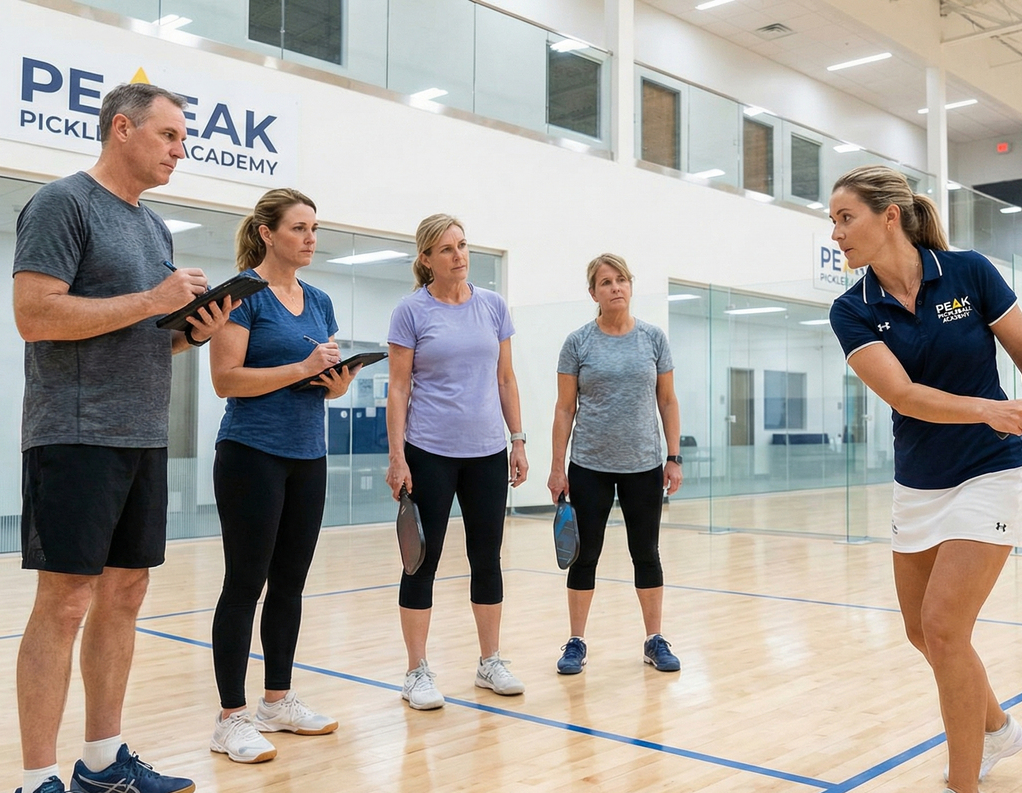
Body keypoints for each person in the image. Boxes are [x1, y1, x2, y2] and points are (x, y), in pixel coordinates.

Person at [7, 82, 238, 793]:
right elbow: (35, 314)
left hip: (139, 436)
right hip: (72, 434)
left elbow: (145, 330)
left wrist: (189, 330)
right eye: (171, 135)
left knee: (127, 593)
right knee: (65, 600)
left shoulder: (153, 224)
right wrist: (151, 300)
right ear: (122, 129)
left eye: (185, 138)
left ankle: (101, 763)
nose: (182, 149)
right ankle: (34, 789)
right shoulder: (61, 205)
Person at [825, 165, 1022, 793]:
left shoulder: (968, 271)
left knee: (944, 625)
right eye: (833, 222)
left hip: (989, 474)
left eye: (845, 217)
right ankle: (995, 729)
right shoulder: (852, 308)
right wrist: (994, 408)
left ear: (889, 215)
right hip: (919, 482)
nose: (836, 232)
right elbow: (903, 394)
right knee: (919, 631)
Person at [205, 188, 361, 763]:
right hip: (250, 452)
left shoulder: (318, 299)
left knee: (290, 584)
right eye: (299, 228)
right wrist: (300, 367)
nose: (310, 238)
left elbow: (323, 376)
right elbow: (227, 379)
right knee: (245, 582)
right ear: (268, 233)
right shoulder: (241, 295)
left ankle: (277, 700)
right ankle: (230, 717)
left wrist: (336, 381)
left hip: (307, 453)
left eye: (314, 228)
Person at [385, 214, 528, 709]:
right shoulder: (411, 311)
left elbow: (505, 379)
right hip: (429, 453)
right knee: (421, 561)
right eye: (446, 249)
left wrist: (518, 440)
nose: (459, 256)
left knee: (487, 558)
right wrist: (397, 456)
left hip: (487, 453)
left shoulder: (493, 307)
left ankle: (490, 661)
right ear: (426, 259)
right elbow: (398, 388)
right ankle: (416, 671)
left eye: (463, 245)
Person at [547, 254, 683, 675]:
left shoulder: (653, 339)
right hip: (589, 465)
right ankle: (576, 642)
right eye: (605, 282)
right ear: (594, 293)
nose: (616, 287)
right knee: (585, 556)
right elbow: (565, 408)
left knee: (647, 553)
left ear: (630, 285)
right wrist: (557, 467)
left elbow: (667, 400)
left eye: (621, 279)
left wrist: (673, 457)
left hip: (643, 465)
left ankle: (655, 640)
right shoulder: (578, 343)